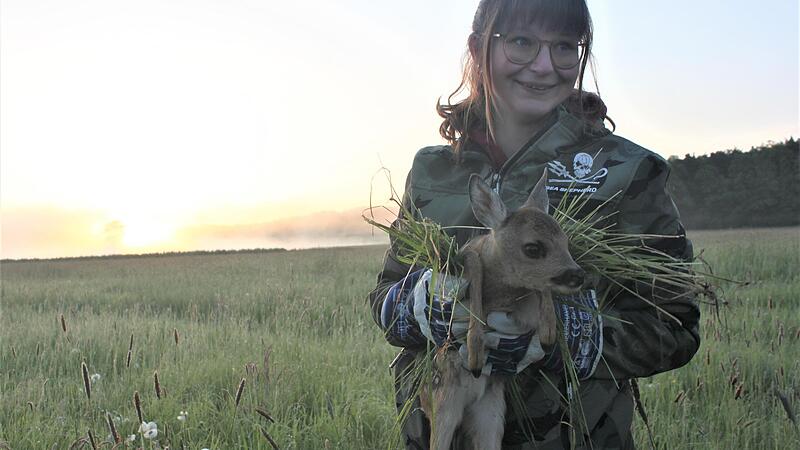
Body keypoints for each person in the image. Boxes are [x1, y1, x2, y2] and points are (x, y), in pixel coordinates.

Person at [367, 1, 700, 448]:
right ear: (478, 49)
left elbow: (676, 328)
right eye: (522, 42)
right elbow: (385, 300)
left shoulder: (626, 171)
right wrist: (417, 308)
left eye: (564, 46)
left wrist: (566, 337)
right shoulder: (433, 171)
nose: (545, 66)